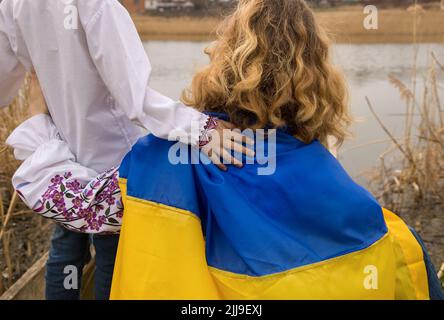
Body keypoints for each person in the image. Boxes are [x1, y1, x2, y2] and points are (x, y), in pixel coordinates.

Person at [6, 0, 443, 299]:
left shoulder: (169, 163)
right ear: (316, 74)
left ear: (228, 59)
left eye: (221, 42)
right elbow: (409, 265)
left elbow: (69, 200)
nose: (210, 46)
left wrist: (36, 121)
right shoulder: (329, 175)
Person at [1, 0, 251, 300]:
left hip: (59, 150)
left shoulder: (13, 4)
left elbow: (3, 87)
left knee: (65, 249)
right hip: (112, 155)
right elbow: (135, 98)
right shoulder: (98, 5)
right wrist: (201, 128)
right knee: (114, 255)